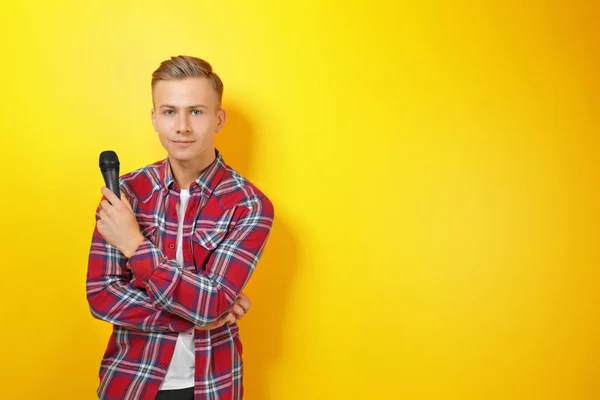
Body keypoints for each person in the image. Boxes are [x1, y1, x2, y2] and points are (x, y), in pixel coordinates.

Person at [86, 55, 274, 400]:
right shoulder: (124, 193)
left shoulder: (249, 205)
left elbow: (213, 303)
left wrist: (133, 244)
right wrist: (200, 313)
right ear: (155, 118)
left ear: (219, 119)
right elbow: (102, 295)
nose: (182, 126)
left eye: (197, 112)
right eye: (170, 111)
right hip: (129, 381)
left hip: (212, 384)